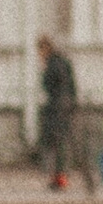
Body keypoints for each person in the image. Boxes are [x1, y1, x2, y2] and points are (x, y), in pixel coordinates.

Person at [36, 34, 79, 191]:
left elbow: (49, 86)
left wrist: (44, 71)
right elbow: (71, 86)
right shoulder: (63, 62)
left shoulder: (52, 64)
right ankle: (59, 177)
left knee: (56, 144)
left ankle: (60, 178)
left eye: (40, 50)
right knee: (60, 144)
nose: (39, 55)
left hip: (56, 109)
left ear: (45, 48)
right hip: (64, 108)